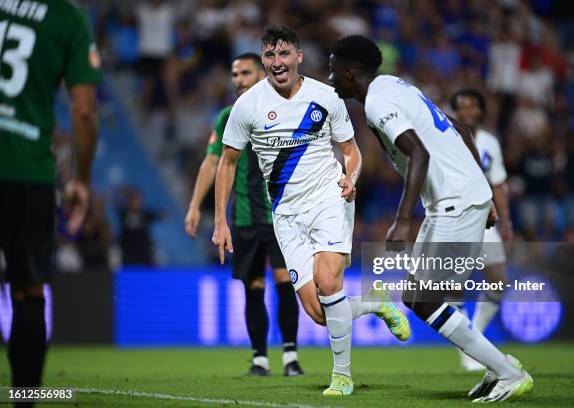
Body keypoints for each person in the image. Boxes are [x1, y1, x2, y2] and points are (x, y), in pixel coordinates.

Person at [329, 35, 533, 402]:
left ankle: (507, 371)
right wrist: (483, 190)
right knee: (425, 295)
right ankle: (495, 365)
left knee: (424, 299)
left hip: (452, 203)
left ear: (348, 71)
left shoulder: (377, 101)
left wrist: (403, 218)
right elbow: (462, 129)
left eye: (332, 71)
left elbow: (418, 153)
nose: (330, 79)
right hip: (462, 197)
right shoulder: (395, 84)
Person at [212, 25, 410, 396]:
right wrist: (221, 219)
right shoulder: (248, 105)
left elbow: (351, 150)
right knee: (319, 313)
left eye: (284, 54)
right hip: (286, 215)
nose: (277, 62)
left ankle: (342, 376)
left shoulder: (325, 96)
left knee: (329, 281)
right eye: (270, 55)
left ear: (298, 57)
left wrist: (352, 177)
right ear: (263, 60)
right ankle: (374, 302)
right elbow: (227, 162)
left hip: (328, 200)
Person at [0, 0, 101, 402]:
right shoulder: (67, 18)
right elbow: (83, 111)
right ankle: (25, 396)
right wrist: (81, 180)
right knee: (27, 290)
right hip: (26, 169)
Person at [185, 53, 303, 377]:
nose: (238, 79)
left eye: (245, 73)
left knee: (285, 282)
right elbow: (213, 161)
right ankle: (260, 359)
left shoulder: (285, 109)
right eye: (234, 73)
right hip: (245, 217)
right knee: (253, 286)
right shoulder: (227, 115)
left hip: (281, 215)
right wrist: (196, 204)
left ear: (260, 74)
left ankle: (291, 357)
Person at [451, 89, 513, 371]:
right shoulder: (444, 136)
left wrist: (507, 221)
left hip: (485, 216)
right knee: (454, 285)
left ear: (480, 111)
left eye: (472, 106)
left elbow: (498, 183)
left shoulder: (490, 142)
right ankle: (468, 347)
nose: (467, 112)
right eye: (461, 107)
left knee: (498, 282)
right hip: (454, 217)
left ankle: (474, 332)